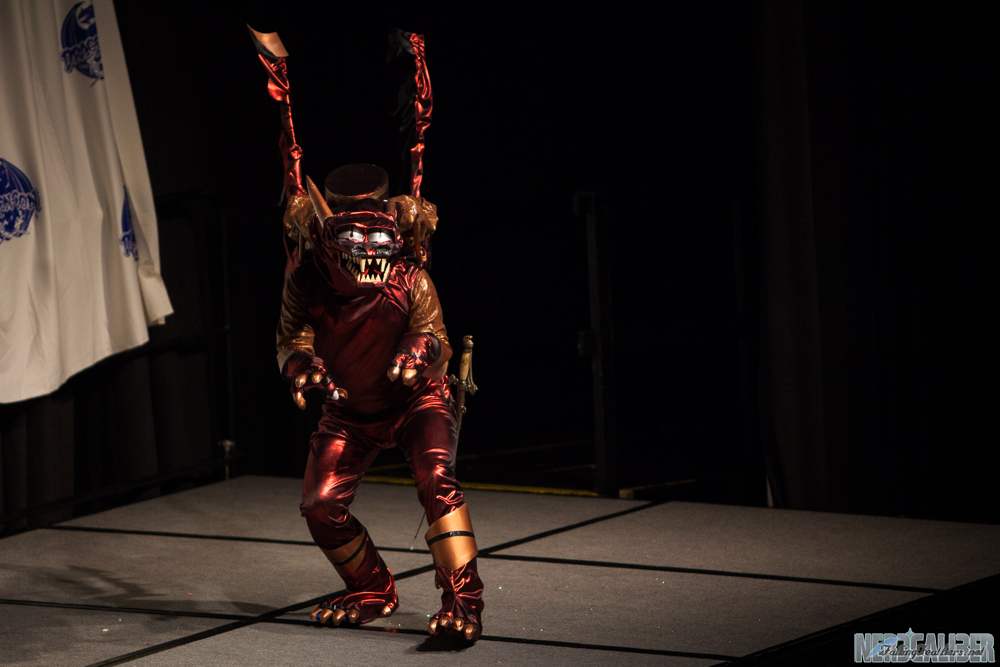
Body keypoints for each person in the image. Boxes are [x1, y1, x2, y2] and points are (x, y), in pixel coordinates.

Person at [276, 163, 484, 641]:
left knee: (436, 477)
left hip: (416, 401)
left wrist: (420, 348)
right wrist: (301, 365)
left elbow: (438, 341)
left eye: (380, 238)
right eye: (355, 237)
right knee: (319, 504)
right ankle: (371, 586)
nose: (370, 252)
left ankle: (463, 602)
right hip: (348, 411)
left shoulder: (410, 278)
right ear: (327, 237)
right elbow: (290, 341)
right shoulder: (306, 282)